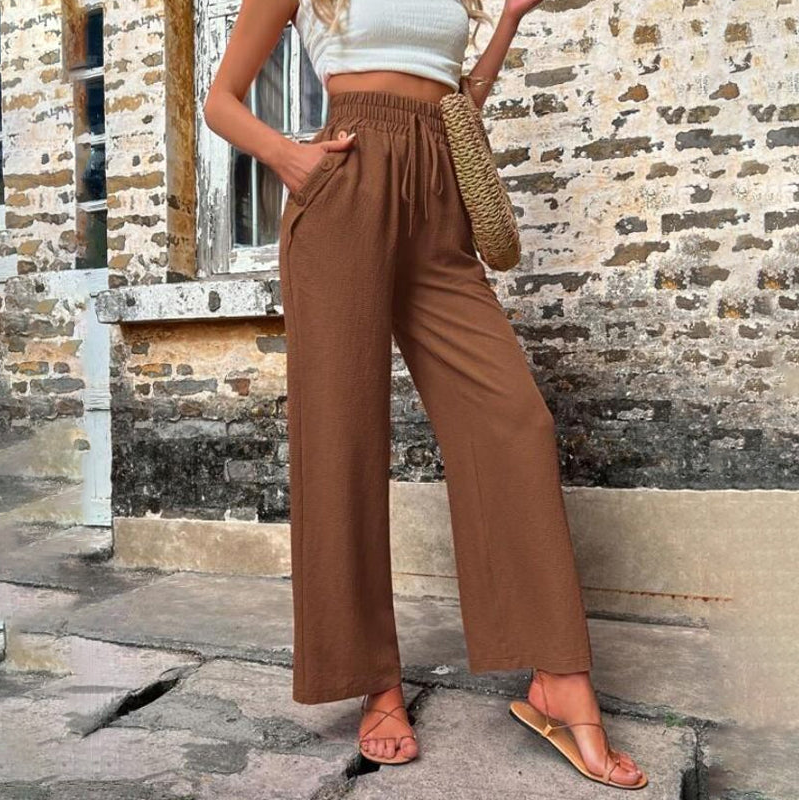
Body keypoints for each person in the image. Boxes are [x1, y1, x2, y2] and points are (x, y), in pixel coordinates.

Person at [203, 0, 646, 789]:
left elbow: (458, 104)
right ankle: (374, 683)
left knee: (514, 422)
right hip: (347, 190)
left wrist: (507, 21)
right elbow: (221, 101)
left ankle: (557, 677)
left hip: (440, 196)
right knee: (343, 439)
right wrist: (290, 159)